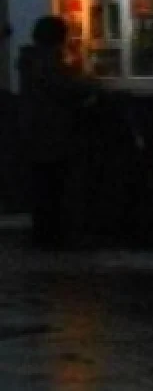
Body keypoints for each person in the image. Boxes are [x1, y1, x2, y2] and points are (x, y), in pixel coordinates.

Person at [17, 16, 97, 251]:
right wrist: (91, 84)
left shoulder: (31, 60)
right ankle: (53, 236)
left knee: (43, 186)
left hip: (36, 132)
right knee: (55, 186)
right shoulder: (47, 62)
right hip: (52, 133)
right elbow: (64, 87)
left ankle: (44, 235)